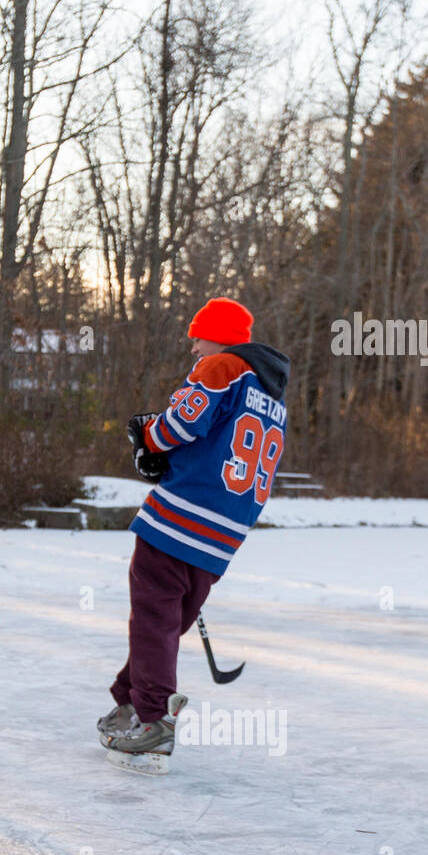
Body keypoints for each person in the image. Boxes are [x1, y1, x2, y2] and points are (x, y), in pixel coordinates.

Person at [98, 297, 290, 769]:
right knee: (165, 624)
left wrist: (149, 437)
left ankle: (153, 721)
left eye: (197, 338)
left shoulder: (222, 366)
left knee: (153, 620)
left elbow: (179, 425)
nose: (194, 351)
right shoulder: (273, 400)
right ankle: (132, 699)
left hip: (178, 520)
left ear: (218, 337)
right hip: (223, 536)